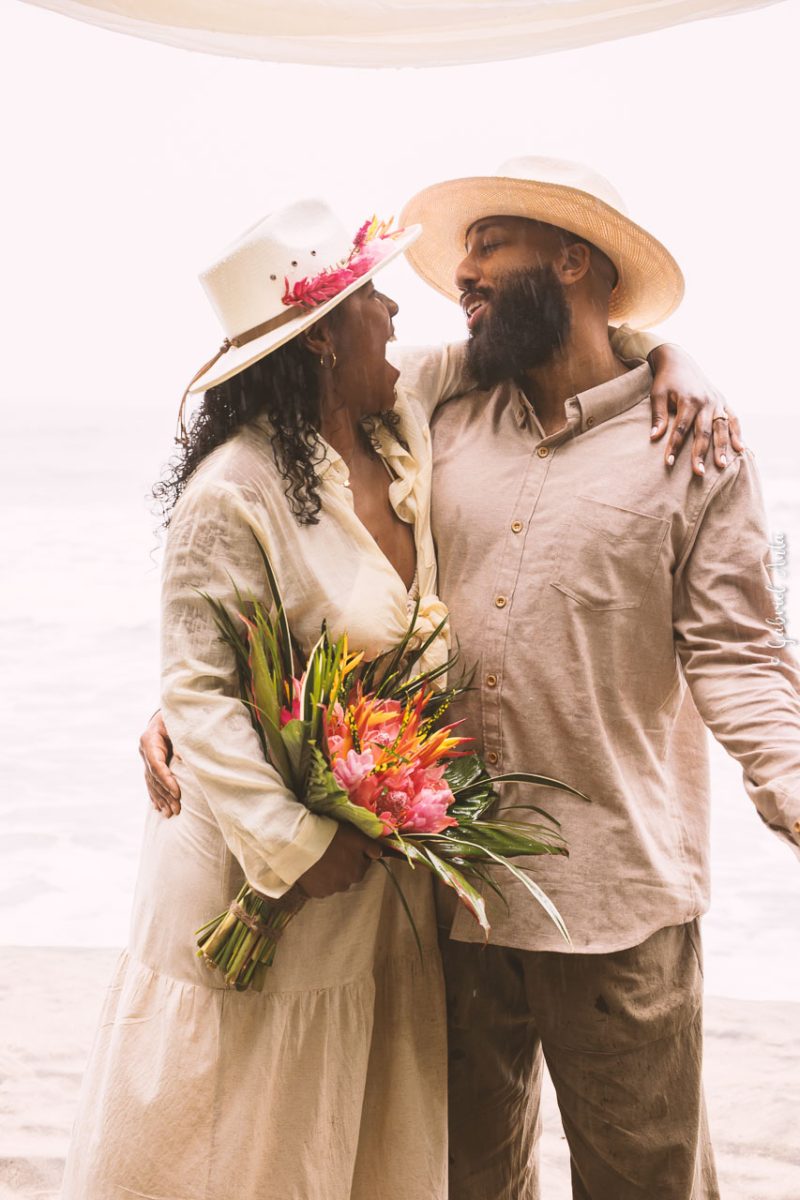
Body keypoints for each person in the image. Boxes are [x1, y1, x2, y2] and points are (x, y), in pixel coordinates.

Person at [389, 155, 799, 1199]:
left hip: (613, 899)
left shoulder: (692, 447)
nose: (464, 276)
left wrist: (786, 778)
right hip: (451, 893)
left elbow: (735, 646)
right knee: (463, 1183)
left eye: (489, 246)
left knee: (644, 1183)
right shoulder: (441, 408)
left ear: (571, 261)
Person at [63, 200, 454, 1200]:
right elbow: (195, 694)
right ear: (324, 339)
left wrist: (676, 368)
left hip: (373, 892)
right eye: (377, 302)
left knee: (346, 1140)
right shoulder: (229, 495)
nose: (399, 319)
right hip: (268, 883)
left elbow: (536, 356)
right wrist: (299, 845)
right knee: (239, 1146)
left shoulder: (403, 427)